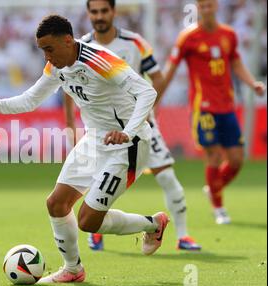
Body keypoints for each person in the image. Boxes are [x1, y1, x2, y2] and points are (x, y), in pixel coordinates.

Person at [0, 15, 169, 284]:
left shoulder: (100, 60)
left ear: (68, 40)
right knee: (56, 203)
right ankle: (73, 269)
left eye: (49, 49)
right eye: (42, 50)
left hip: (129, 145)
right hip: (95, 141)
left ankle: (154, 224)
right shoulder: (56, 66)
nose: (46, 56)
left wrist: (127, 132)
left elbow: (147, 92)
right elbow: (31, 100)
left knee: (88, 221)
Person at [65, 0, 200, 252]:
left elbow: (157, 78)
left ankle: (183, 235)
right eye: (94, 12)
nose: (99, 16)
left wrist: (147, 111)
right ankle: (96, 232)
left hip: (141, 125)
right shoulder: (81, 46)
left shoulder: (135, 42)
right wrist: (70, 124)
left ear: (114, 12)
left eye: (104, 11)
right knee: (94, 181)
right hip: (105, 131)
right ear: (88, 14)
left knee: (168, 176)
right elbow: (66, 86)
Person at [161, 0, 266, 224]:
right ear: (198, 8)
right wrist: (155, 97)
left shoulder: (228, 34)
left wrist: (252, 83)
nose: (207, 9)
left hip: (227, 106)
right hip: (203, 108)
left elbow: (236, 62)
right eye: (203, 6)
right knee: (215, 156)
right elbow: (170, 70)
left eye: (210, 5)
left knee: (237, 160)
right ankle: (219, 208)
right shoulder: (188, 38)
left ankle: (213, 189)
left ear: (216, 6)